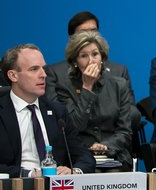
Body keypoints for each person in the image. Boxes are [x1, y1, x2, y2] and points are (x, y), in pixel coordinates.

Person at [0, 44, 95, 176]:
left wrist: (74, 171)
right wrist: (28, 174)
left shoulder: (58, 112)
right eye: (34, 69)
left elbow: (84, 156)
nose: (43, 75)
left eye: (43, 68)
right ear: (13, 76)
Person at [46, 31, 134, 169]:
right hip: (81, 156)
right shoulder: (64, 87)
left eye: (95, 54)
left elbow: (125, 131)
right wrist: (87, 87)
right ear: (75, 62)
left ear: (102, 57)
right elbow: (75, 126)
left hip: (115, 155)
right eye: (83, 56)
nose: (91, 60)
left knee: (114, 175)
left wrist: (106, 146)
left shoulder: (119, 85)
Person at [45, 11, 134, 101]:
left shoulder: (119, 71)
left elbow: (131, 111)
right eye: (83, 33)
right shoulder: (55, 73)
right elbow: (57, 112)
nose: (89, 36)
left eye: (94, 31)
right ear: (71, 39)